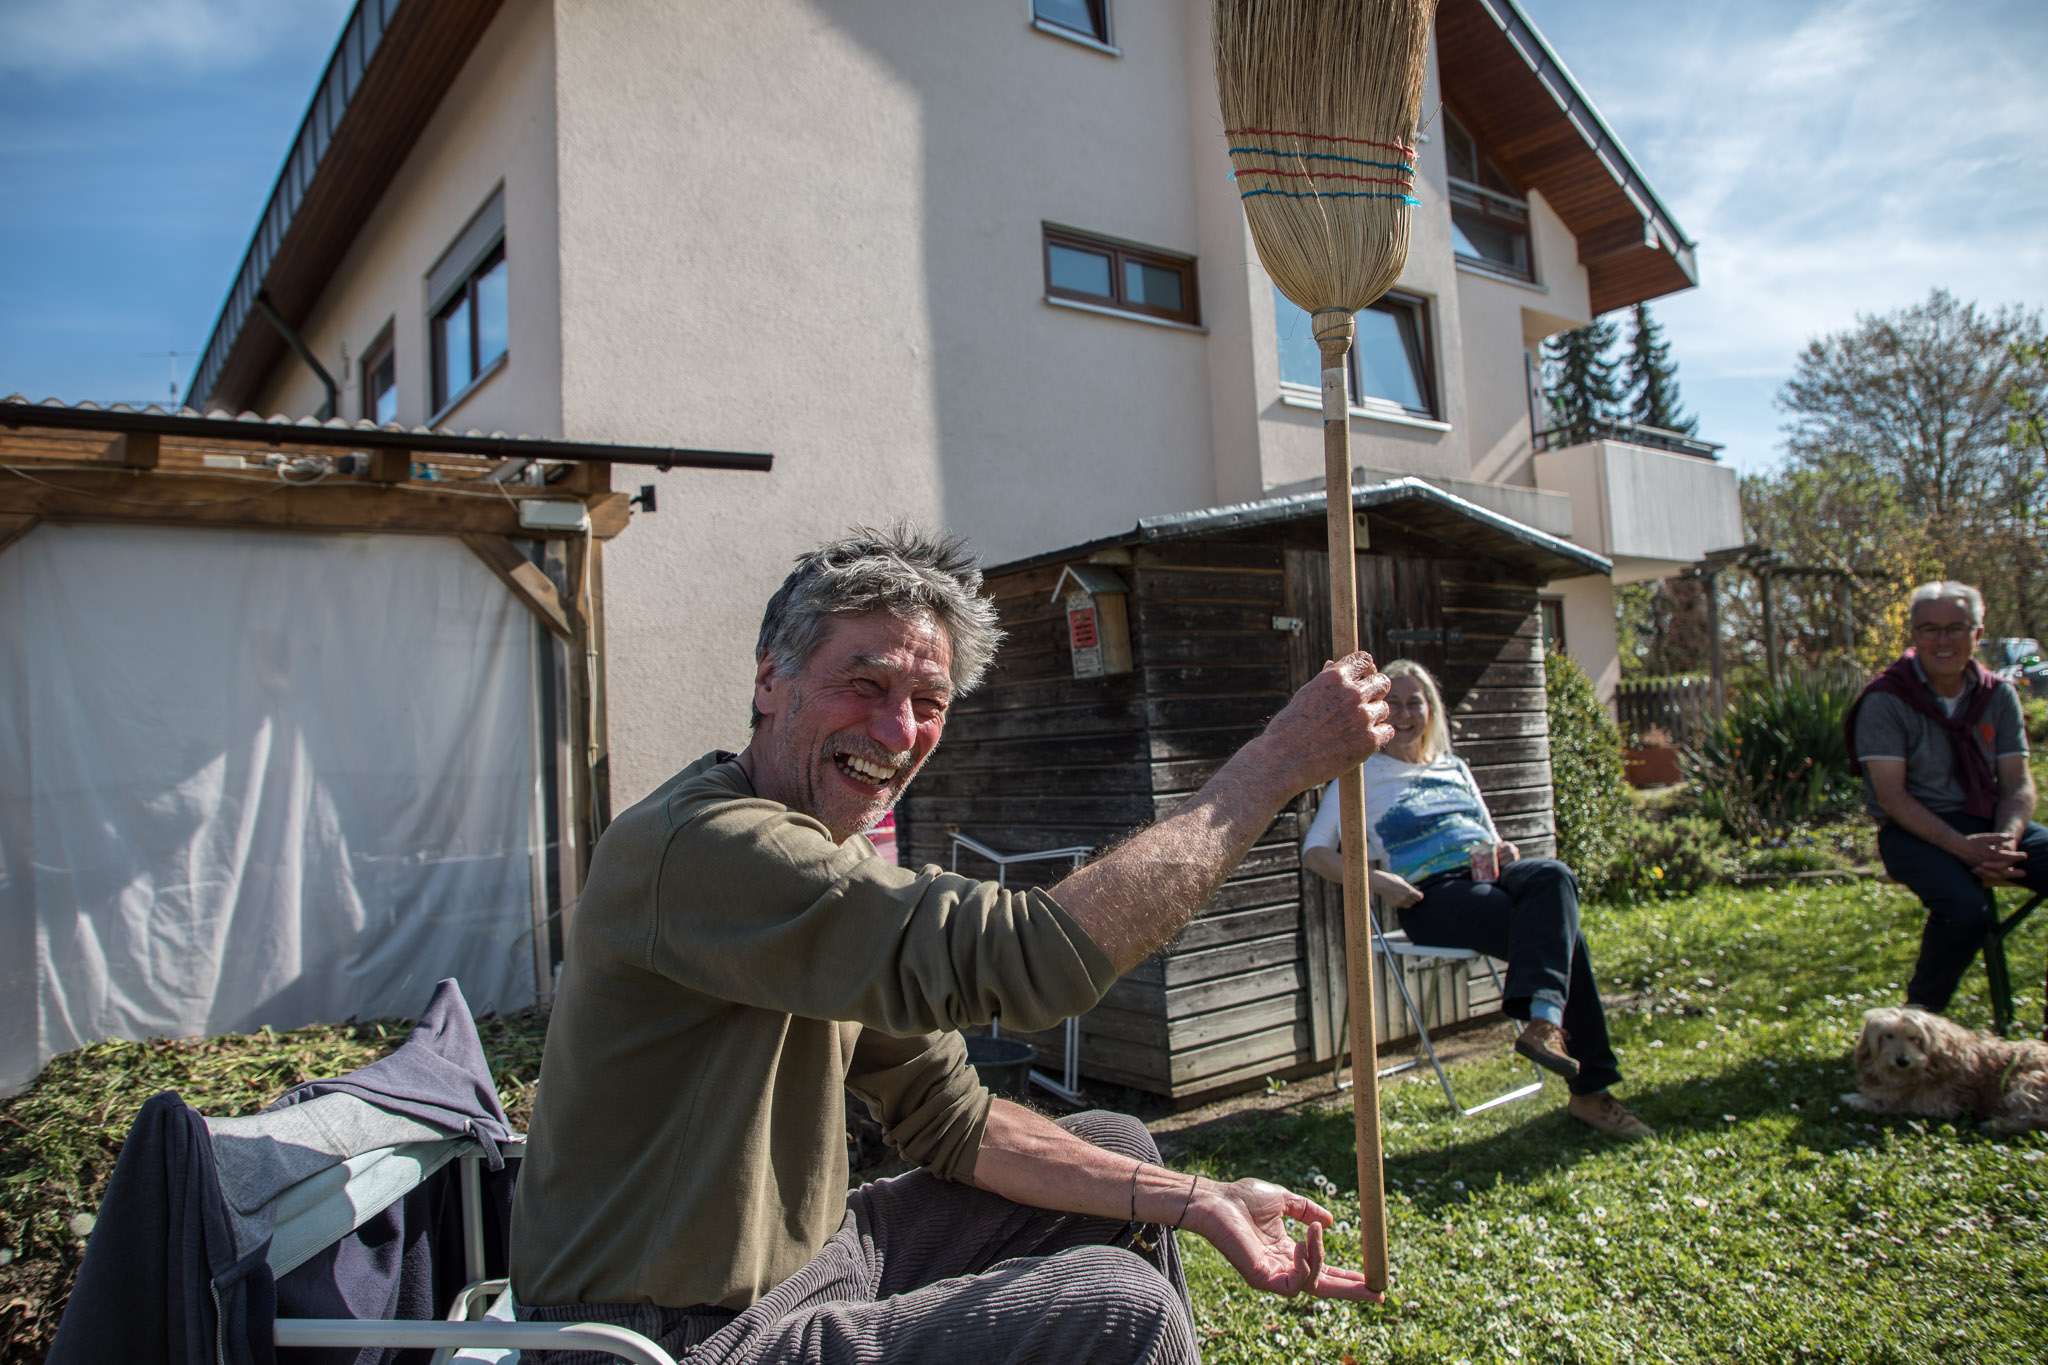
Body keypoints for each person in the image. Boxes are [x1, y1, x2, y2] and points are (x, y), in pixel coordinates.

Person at [509, 526, 1396, 1365]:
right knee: (1123, 1305)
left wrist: (1203, 1199)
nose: (899, 732)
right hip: (665, 1336)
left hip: (806, 1270)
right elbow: (1029, 956)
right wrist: (1276, 763)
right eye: (866, 684)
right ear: (771, 678)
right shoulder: (701, 848)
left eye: (928, 703)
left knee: (1119, 1143)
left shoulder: (820, 853)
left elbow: (950, 1115)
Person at [1300, 659, 1653, 1140]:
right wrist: (1379, 881)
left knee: (1554, 875)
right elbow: (1316, 853)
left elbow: (1489, 837)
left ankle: (1545, 1025)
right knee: (1562, 938)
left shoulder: (1455, 767)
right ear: (1379, 711)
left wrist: (1504, 851)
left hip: (1490, 875)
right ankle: (1582, 1081)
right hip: (1431, 895)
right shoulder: (1359, 775)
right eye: (1393, 703)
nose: (1405, 713)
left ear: (1431, 710)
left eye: (1414, 702)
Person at [1847, 579, 2043, 1013]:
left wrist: (2006, 840)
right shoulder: (1886, 699)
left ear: (1977, 633)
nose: (1943, 641)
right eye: (1930, 629)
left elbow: (2017, 784)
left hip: (1989, 823)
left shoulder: (1999, 694)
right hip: (1912, 831)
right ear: (1914, 635)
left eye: (1956, 628)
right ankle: (1916, 1023)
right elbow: (1892, 797)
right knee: (1963, 910)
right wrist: (1963, 848)